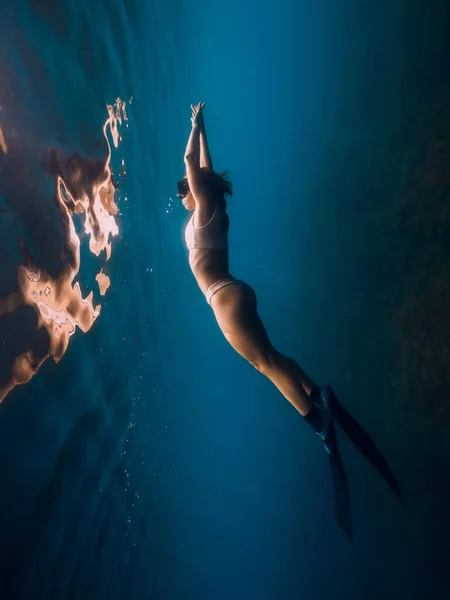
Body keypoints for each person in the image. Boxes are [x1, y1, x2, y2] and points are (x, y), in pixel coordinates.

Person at [177, 102, 404, 540]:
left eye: (183, 189)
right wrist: (203, 130)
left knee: (266, 365)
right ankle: (320, 396)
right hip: (234, 291)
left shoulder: (204, 205)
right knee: (274, 357)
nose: (181, 192)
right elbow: (201, 169)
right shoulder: (212, 212)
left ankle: (319, 422)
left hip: (223, 299)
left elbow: (192, 166)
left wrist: (194, 129)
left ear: (196, 189)